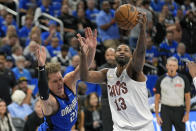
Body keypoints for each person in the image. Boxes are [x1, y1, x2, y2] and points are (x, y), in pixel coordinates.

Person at [79, 12, 154, 130]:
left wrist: (142, 29)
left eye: (126, 50)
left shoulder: (133, 71)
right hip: (120, 128)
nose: (122, 51)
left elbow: (140, 53)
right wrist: (84, 54)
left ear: (131, 56)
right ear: (114, 55)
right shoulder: (107, 74)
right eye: (119, 50)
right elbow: (83, 76)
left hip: (142, 127)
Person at [31, 27, 97, 131]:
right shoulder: (50, 101)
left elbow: (83, 68)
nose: (59, 83)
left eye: (60, 79)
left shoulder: (68, 82)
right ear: (47, 84)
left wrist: (91, 50)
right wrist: (41, 68)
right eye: (54, 81)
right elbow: (43, 91)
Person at [154, 57, 191, 131]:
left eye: (174, 66)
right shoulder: (161, 79)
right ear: (167, 66)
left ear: (177, 67)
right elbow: (157, 99)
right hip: (165, 111)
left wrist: (187, 114)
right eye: (170, 65)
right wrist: (157, 116)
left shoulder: (183, 79)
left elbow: (187, 97)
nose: (172, 67)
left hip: (179, 110)